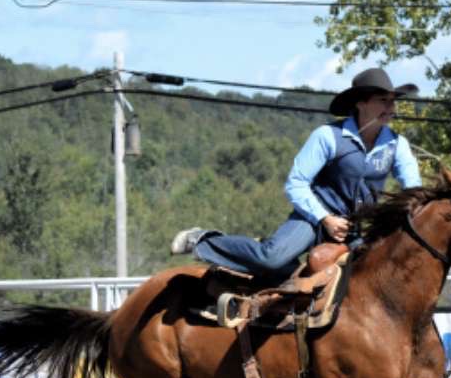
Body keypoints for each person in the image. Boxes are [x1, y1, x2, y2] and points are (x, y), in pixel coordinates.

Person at [171, 68, 422, 280]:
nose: (391, 107)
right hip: (312, 220)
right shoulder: (327, 136)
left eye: (393, 101)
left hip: (357, 230)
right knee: (272, 258)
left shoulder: (397, 145)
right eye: (383, 101)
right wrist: (326, 219)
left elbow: (413, 190)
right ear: (361, 103)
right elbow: (296, 184)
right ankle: (204, 241)